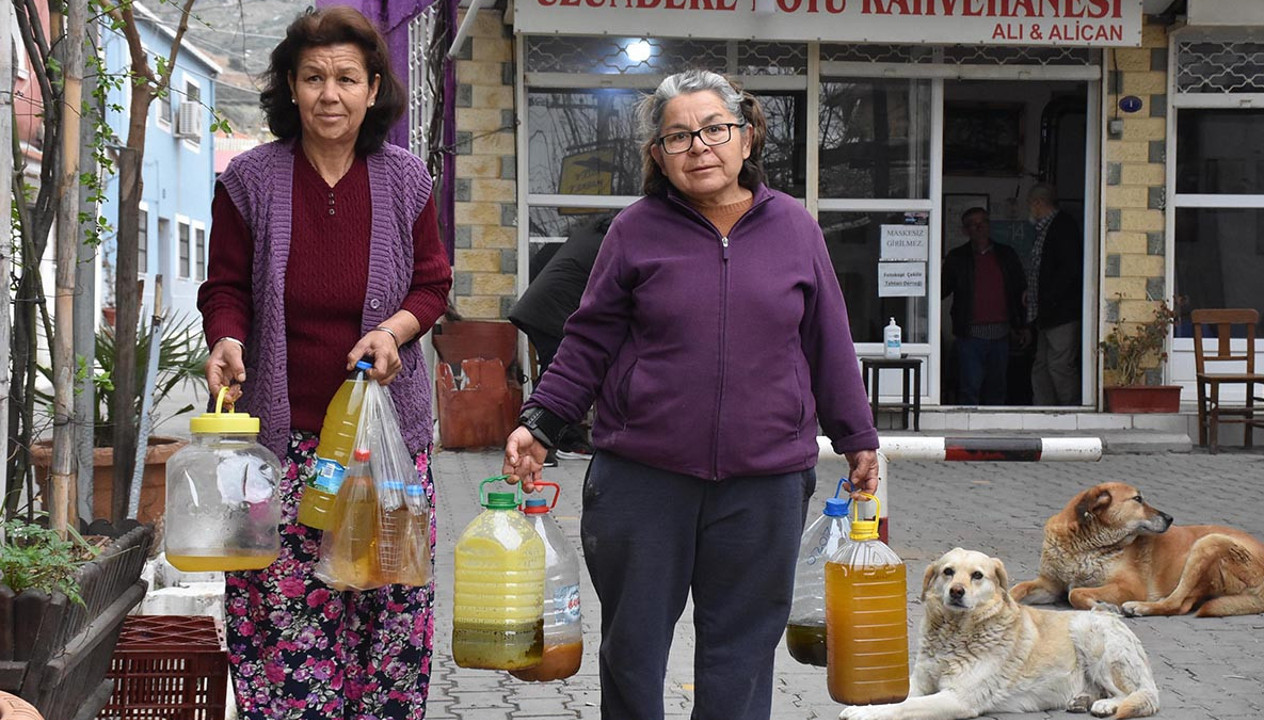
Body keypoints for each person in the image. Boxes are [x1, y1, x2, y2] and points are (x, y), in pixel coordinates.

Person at [502, 70, 880, 720]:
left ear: (746, 136)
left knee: (740, 658)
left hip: (763, 486)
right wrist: (539, 422)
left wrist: (858, 439)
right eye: (678, 135)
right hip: (642, 484)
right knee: (632, 653)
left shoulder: (795, 229)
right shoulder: (634, 232)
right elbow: (588, 340)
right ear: (658, 155)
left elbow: (829, 344)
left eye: (714, 129)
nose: (699, 146)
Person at [196, 7, 452, 719]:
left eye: (346, 78)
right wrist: (226, 336)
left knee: (388, 623)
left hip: (387, 451)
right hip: (281, 451)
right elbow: (224, 285)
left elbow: (432, 281)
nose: (329, 94)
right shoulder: (249, 180)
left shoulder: (405, 179)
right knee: (284, 632)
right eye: (313, 78)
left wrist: (394, 332)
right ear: (289, 86)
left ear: (374, 88)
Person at [508, 214, 612, 465]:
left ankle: (563, 438)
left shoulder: (587, 238)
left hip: (540, 309)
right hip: (551, 312)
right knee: (559, 371)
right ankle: (554, 440)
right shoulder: (606, 245)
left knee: (552, 368)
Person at [941, 207, 1027, 405]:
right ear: (965, 230)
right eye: (973, 224)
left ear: (989, 225)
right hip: (969, 336)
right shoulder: (957, 258)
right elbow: (941, 290)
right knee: (970, 389)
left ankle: (995, 432)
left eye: (983, 223)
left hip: (1001, 335)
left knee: (997, 390)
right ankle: (966, 432)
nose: (979, 228)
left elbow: (1020, 292)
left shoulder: (1006, 255)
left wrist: (1023, 327)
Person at [1024, 183, 1083, 406]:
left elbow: (1069, 271)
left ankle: (1070, 410)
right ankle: (1043, 408)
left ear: (1038, 203)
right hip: (1047, 313)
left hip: (1061, 313)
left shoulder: (1062, 227)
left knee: (1059, 364)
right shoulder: (1046, 228)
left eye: (1030, 204)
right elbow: (1043, 269)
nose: (1029, 209)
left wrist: (1047, 298)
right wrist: (1031, 292)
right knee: (1042, 364)